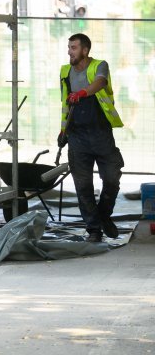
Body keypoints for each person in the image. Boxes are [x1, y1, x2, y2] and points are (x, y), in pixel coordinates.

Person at [58, 33, 124, 242]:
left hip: (101, 133)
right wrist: (63, 130)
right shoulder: (65, 71)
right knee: (83, 185)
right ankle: (94, 229)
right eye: (69, 47)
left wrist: (83, 92)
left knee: (112, 179)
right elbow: (65, 103)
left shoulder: (99, 66)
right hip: (77, 135)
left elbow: (100, 83)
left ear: (85, 50)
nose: (69, 51)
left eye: (74, 48)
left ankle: (103, 215)